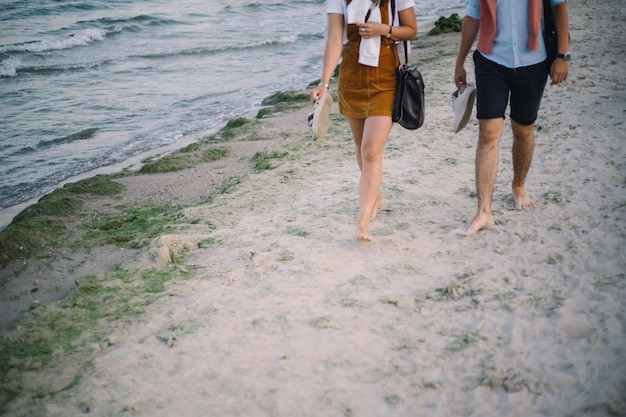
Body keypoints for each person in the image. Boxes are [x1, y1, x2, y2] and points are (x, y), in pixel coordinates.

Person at [454, 0, 570, 236]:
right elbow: (473, 15)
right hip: (491, 59)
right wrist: (460, 61)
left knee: (523, 128)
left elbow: (559, 5)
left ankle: (518, 186)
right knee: (488, 132)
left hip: (534, 60)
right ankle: (484, 210)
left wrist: (563, 55)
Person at [310, 0, 417, 241]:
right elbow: (335, 40)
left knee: (370, 151)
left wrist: (384, 30)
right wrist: (324, 83)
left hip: (387, 78)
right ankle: (374, 196)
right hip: (352, 77)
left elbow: (411, 30)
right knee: (360, 149)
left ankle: (362, 222)